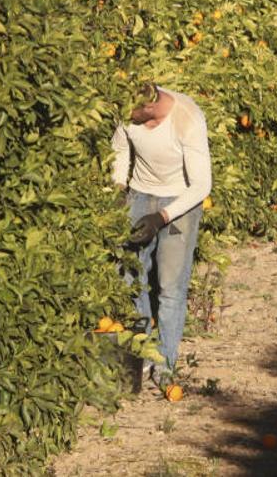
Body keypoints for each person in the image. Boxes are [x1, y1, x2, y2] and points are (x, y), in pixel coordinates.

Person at [111, 82, 212, 389]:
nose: (129, 118)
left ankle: (164, 364)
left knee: (170, 288)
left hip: (180, 204)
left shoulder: (187, 119)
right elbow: (120, 149)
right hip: (140, 195)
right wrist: (118, 190)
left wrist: (161, 217)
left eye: (136, 114)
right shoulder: (129, 110)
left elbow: (201, 186)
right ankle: (141, 352)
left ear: (152, 107)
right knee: (129, 279)